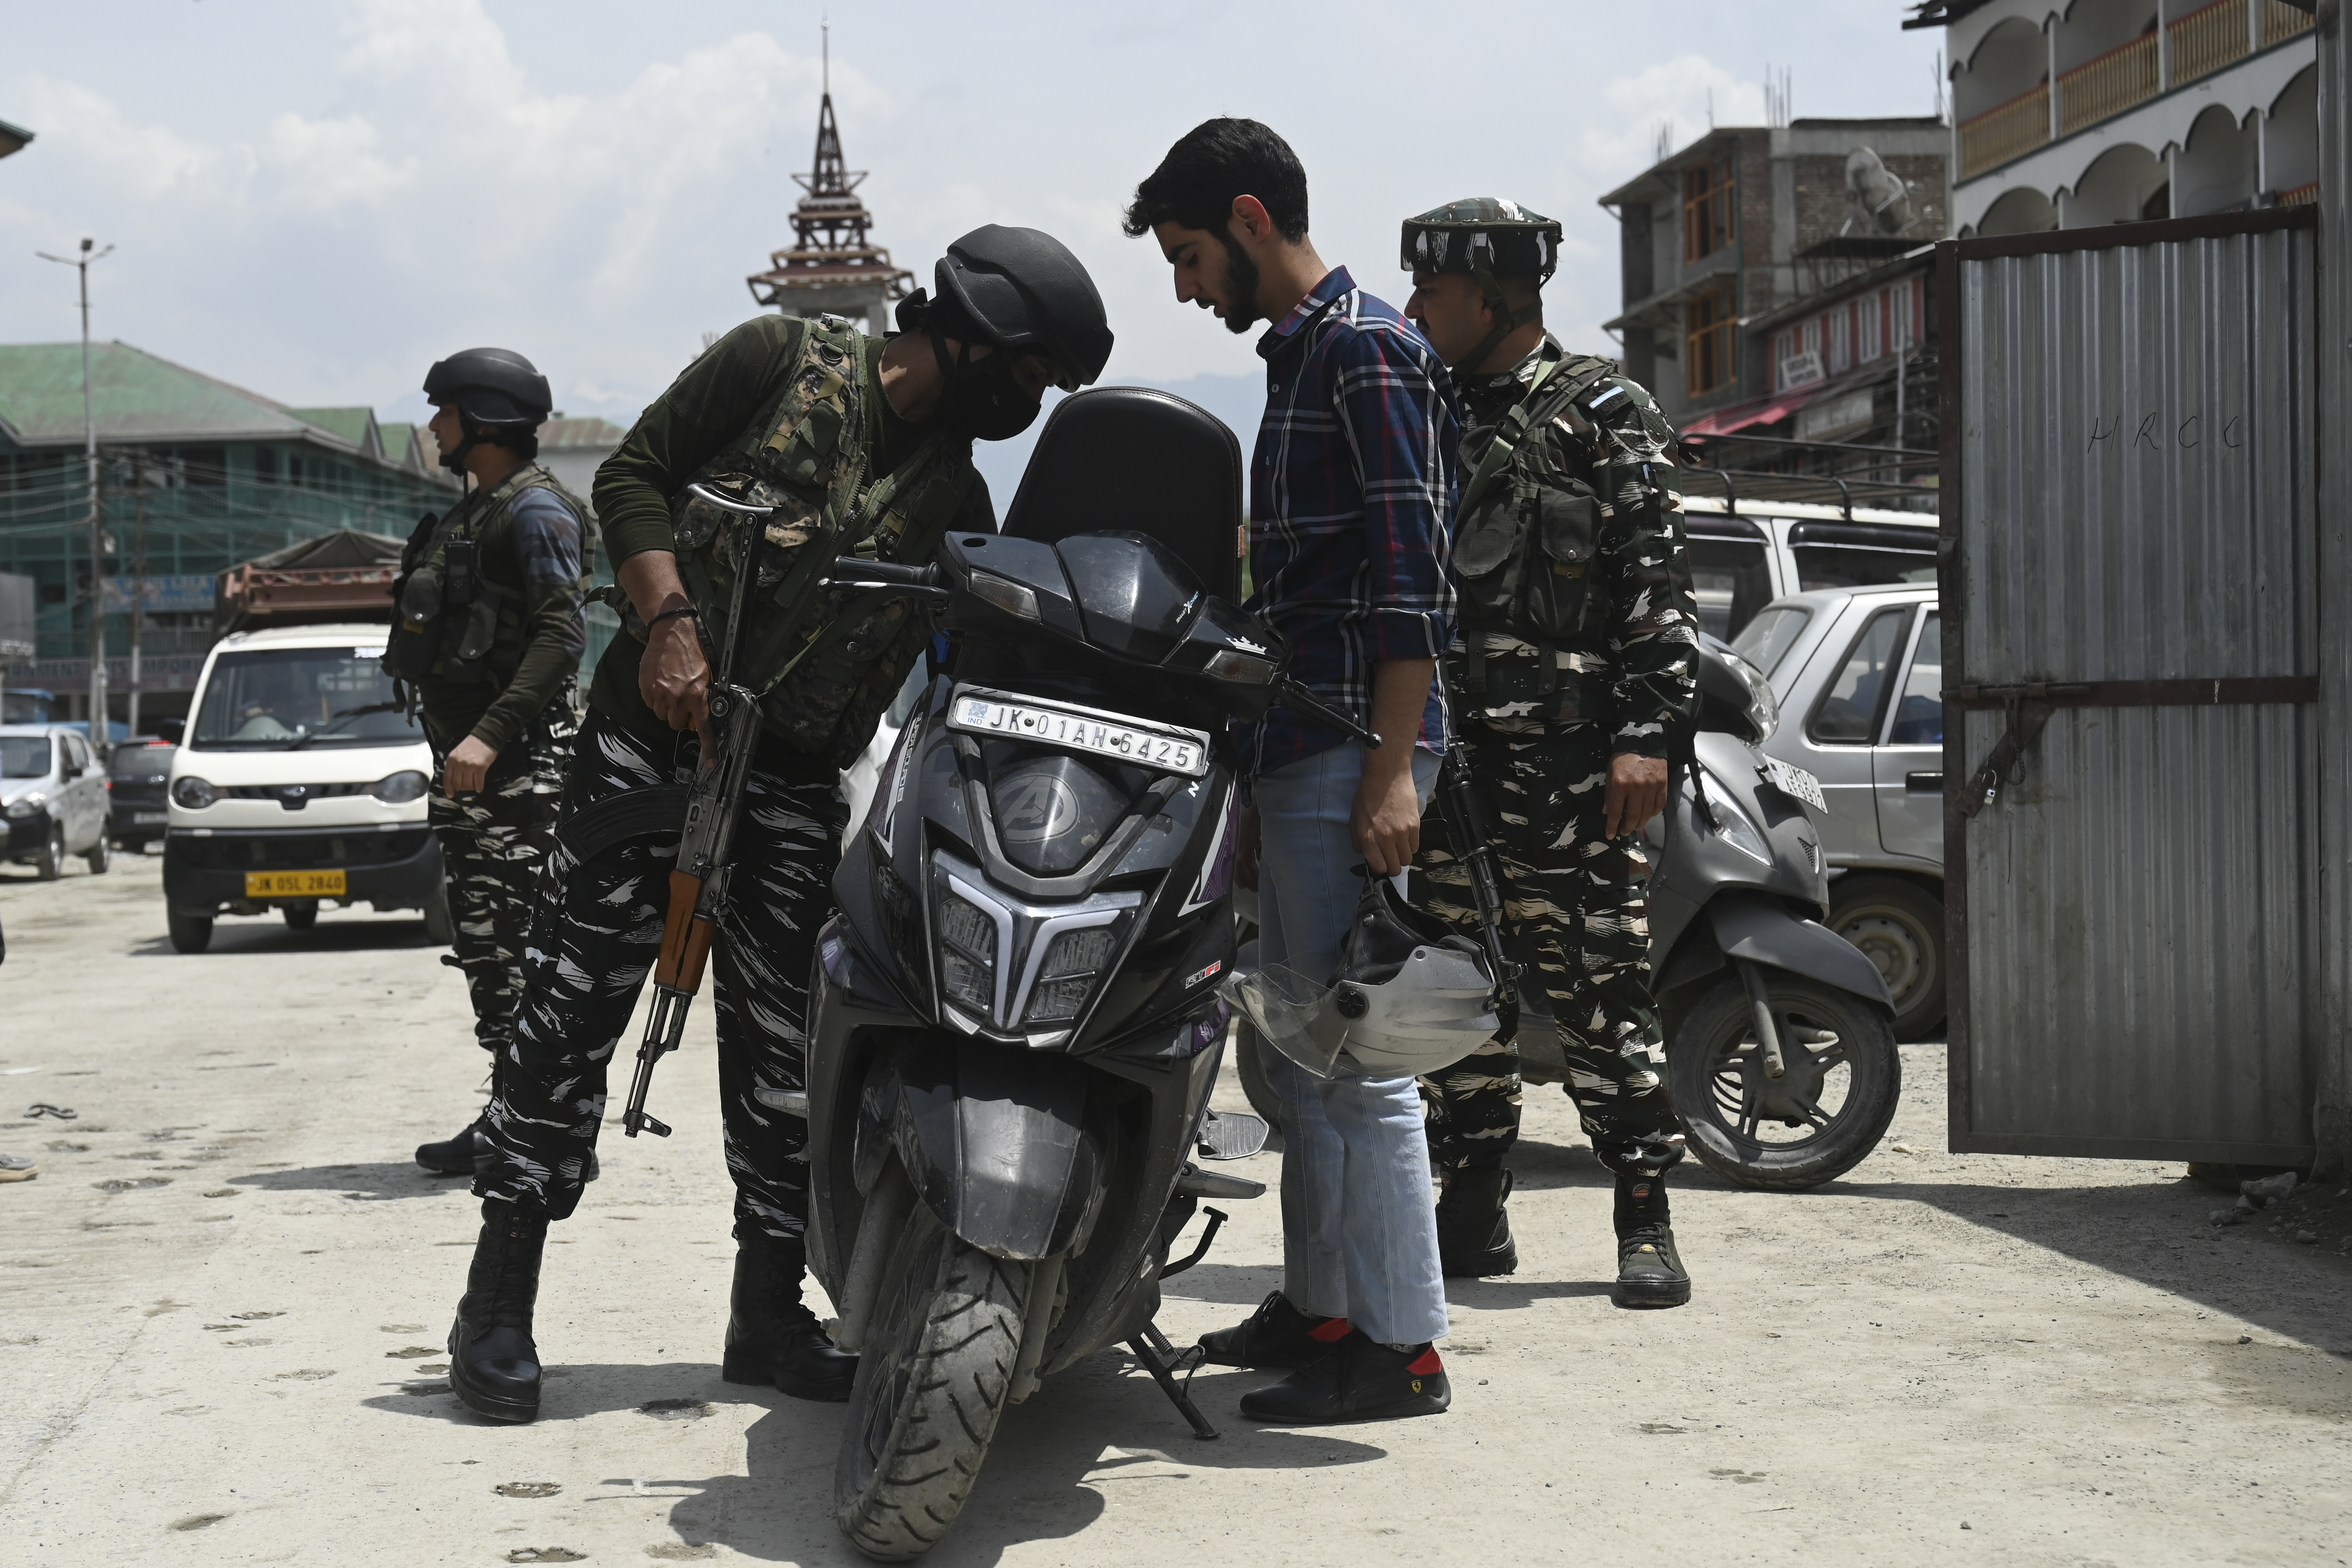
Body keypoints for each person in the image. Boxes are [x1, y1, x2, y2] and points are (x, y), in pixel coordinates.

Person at [440, 226, 1114, 1425]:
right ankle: (496, 1307)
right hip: (646, 748)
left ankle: (766, 1316)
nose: (1026, 405)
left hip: (793, 783)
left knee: (792, 1059)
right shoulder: (778, 362)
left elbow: (971, 650)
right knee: (567, 1013)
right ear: (967, 335)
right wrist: (669, 624)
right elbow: (633, 475)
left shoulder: (958, 496)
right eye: (1024, 377)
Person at [1125, 119, 1460, 1424]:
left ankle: (1404, 1347)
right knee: (1299, 1059)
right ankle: (1328, 1310)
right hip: (1302, 749)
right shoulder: (1303, 354)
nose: (1186, 286)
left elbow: (1410, 580)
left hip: (1352, 748)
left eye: (1193, 255)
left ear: (1253, 221)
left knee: (1359, 1066)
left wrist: (1392, 773)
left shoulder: (1370, 347)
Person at [1397, 199, 1699, 1306]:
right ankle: (1472, 1210)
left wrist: (1645, 740)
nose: (1419, 310)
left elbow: (1659, 594)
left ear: (1493, 294)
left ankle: (1644, 1215)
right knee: (1453, 986)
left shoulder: (1602, 410)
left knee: (1600, 983)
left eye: (1432, 292)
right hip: (1447, 764)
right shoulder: (1420, 410)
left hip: (1573, 769)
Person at [395, 349, 589, 1181]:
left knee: (526, 951)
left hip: (521, 774)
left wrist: (490, 736)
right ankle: (512, 1120)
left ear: (481, 421)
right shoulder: (471, 514)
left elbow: (562, 634)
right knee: (487, 951)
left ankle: (553, 1133)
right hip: (475, 778)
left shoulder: (535, 512)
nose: (434, 426)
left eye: (444, 413)